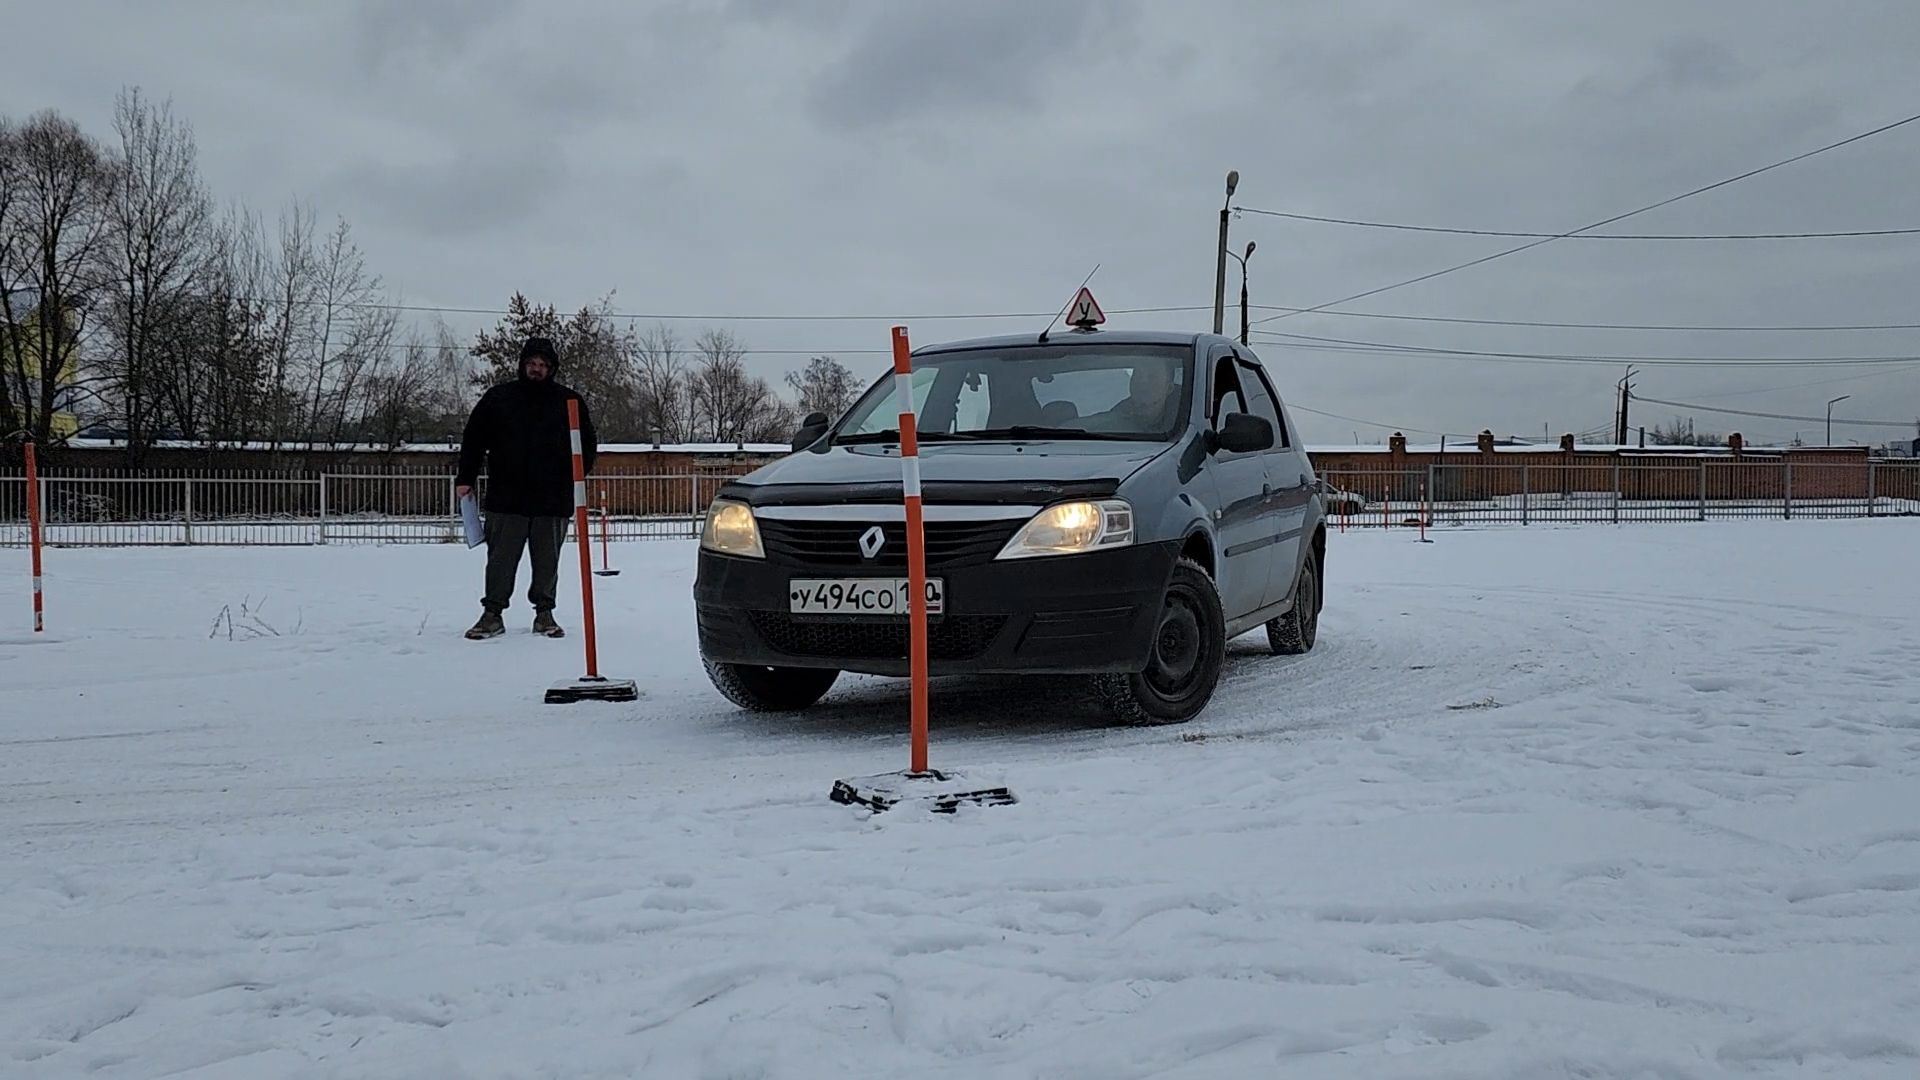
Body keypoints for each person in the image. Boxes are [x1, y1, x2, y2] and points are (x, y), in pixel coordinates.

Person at [454, 335, 597, 640]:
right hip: (508, 498)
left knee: (547, 561)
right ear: (522, 364)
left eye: (543, 365)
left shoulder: (568, 401)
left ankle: (544, 614)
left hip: (552, 500)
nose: (537, 369)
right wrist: (466, 477)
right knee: (501, 560)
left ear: (552, 368)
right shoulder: (499, 399)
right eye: (531, 363)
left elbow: (586, 445)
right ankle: (492, 613)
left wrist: (575, 478)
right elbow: (474, 439)